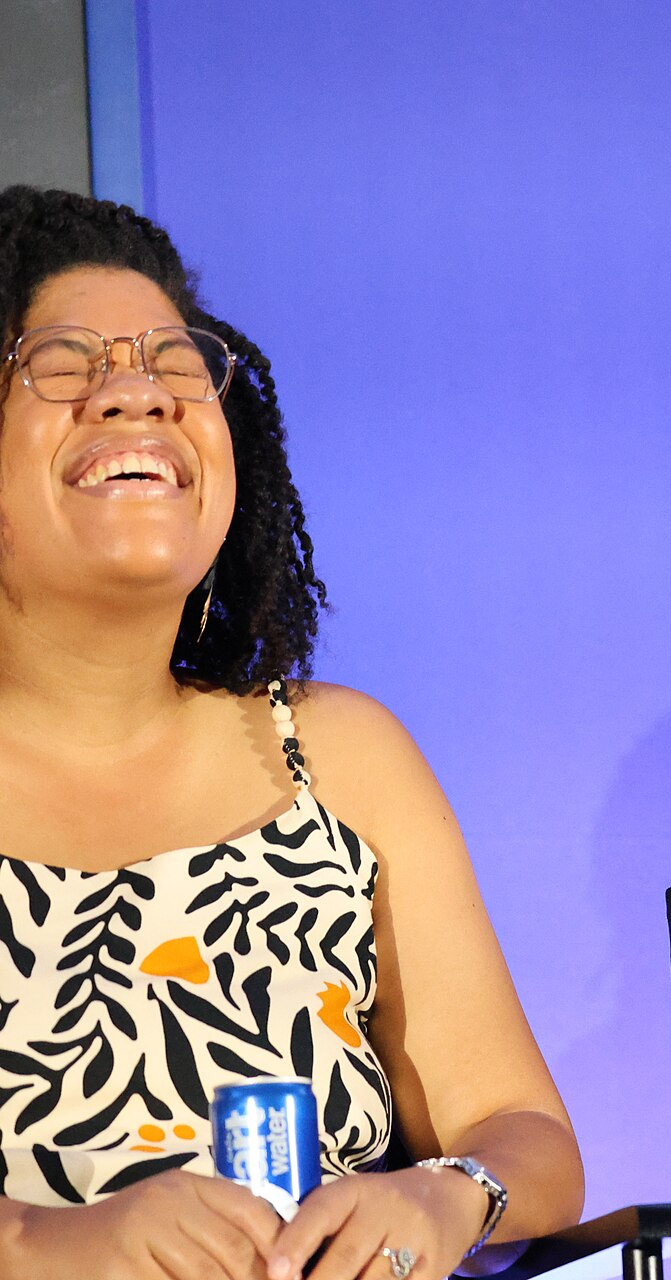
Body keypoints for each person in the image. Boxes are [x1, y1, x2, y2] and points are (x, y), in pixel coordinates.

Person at [0, 186, 583, 1280]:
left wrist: (444, 1194)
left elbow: (523, 1133)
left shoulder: (339, 755)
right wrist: (51, 1239)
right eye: (69, 366)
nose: (138, 394)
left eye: (177, 367)